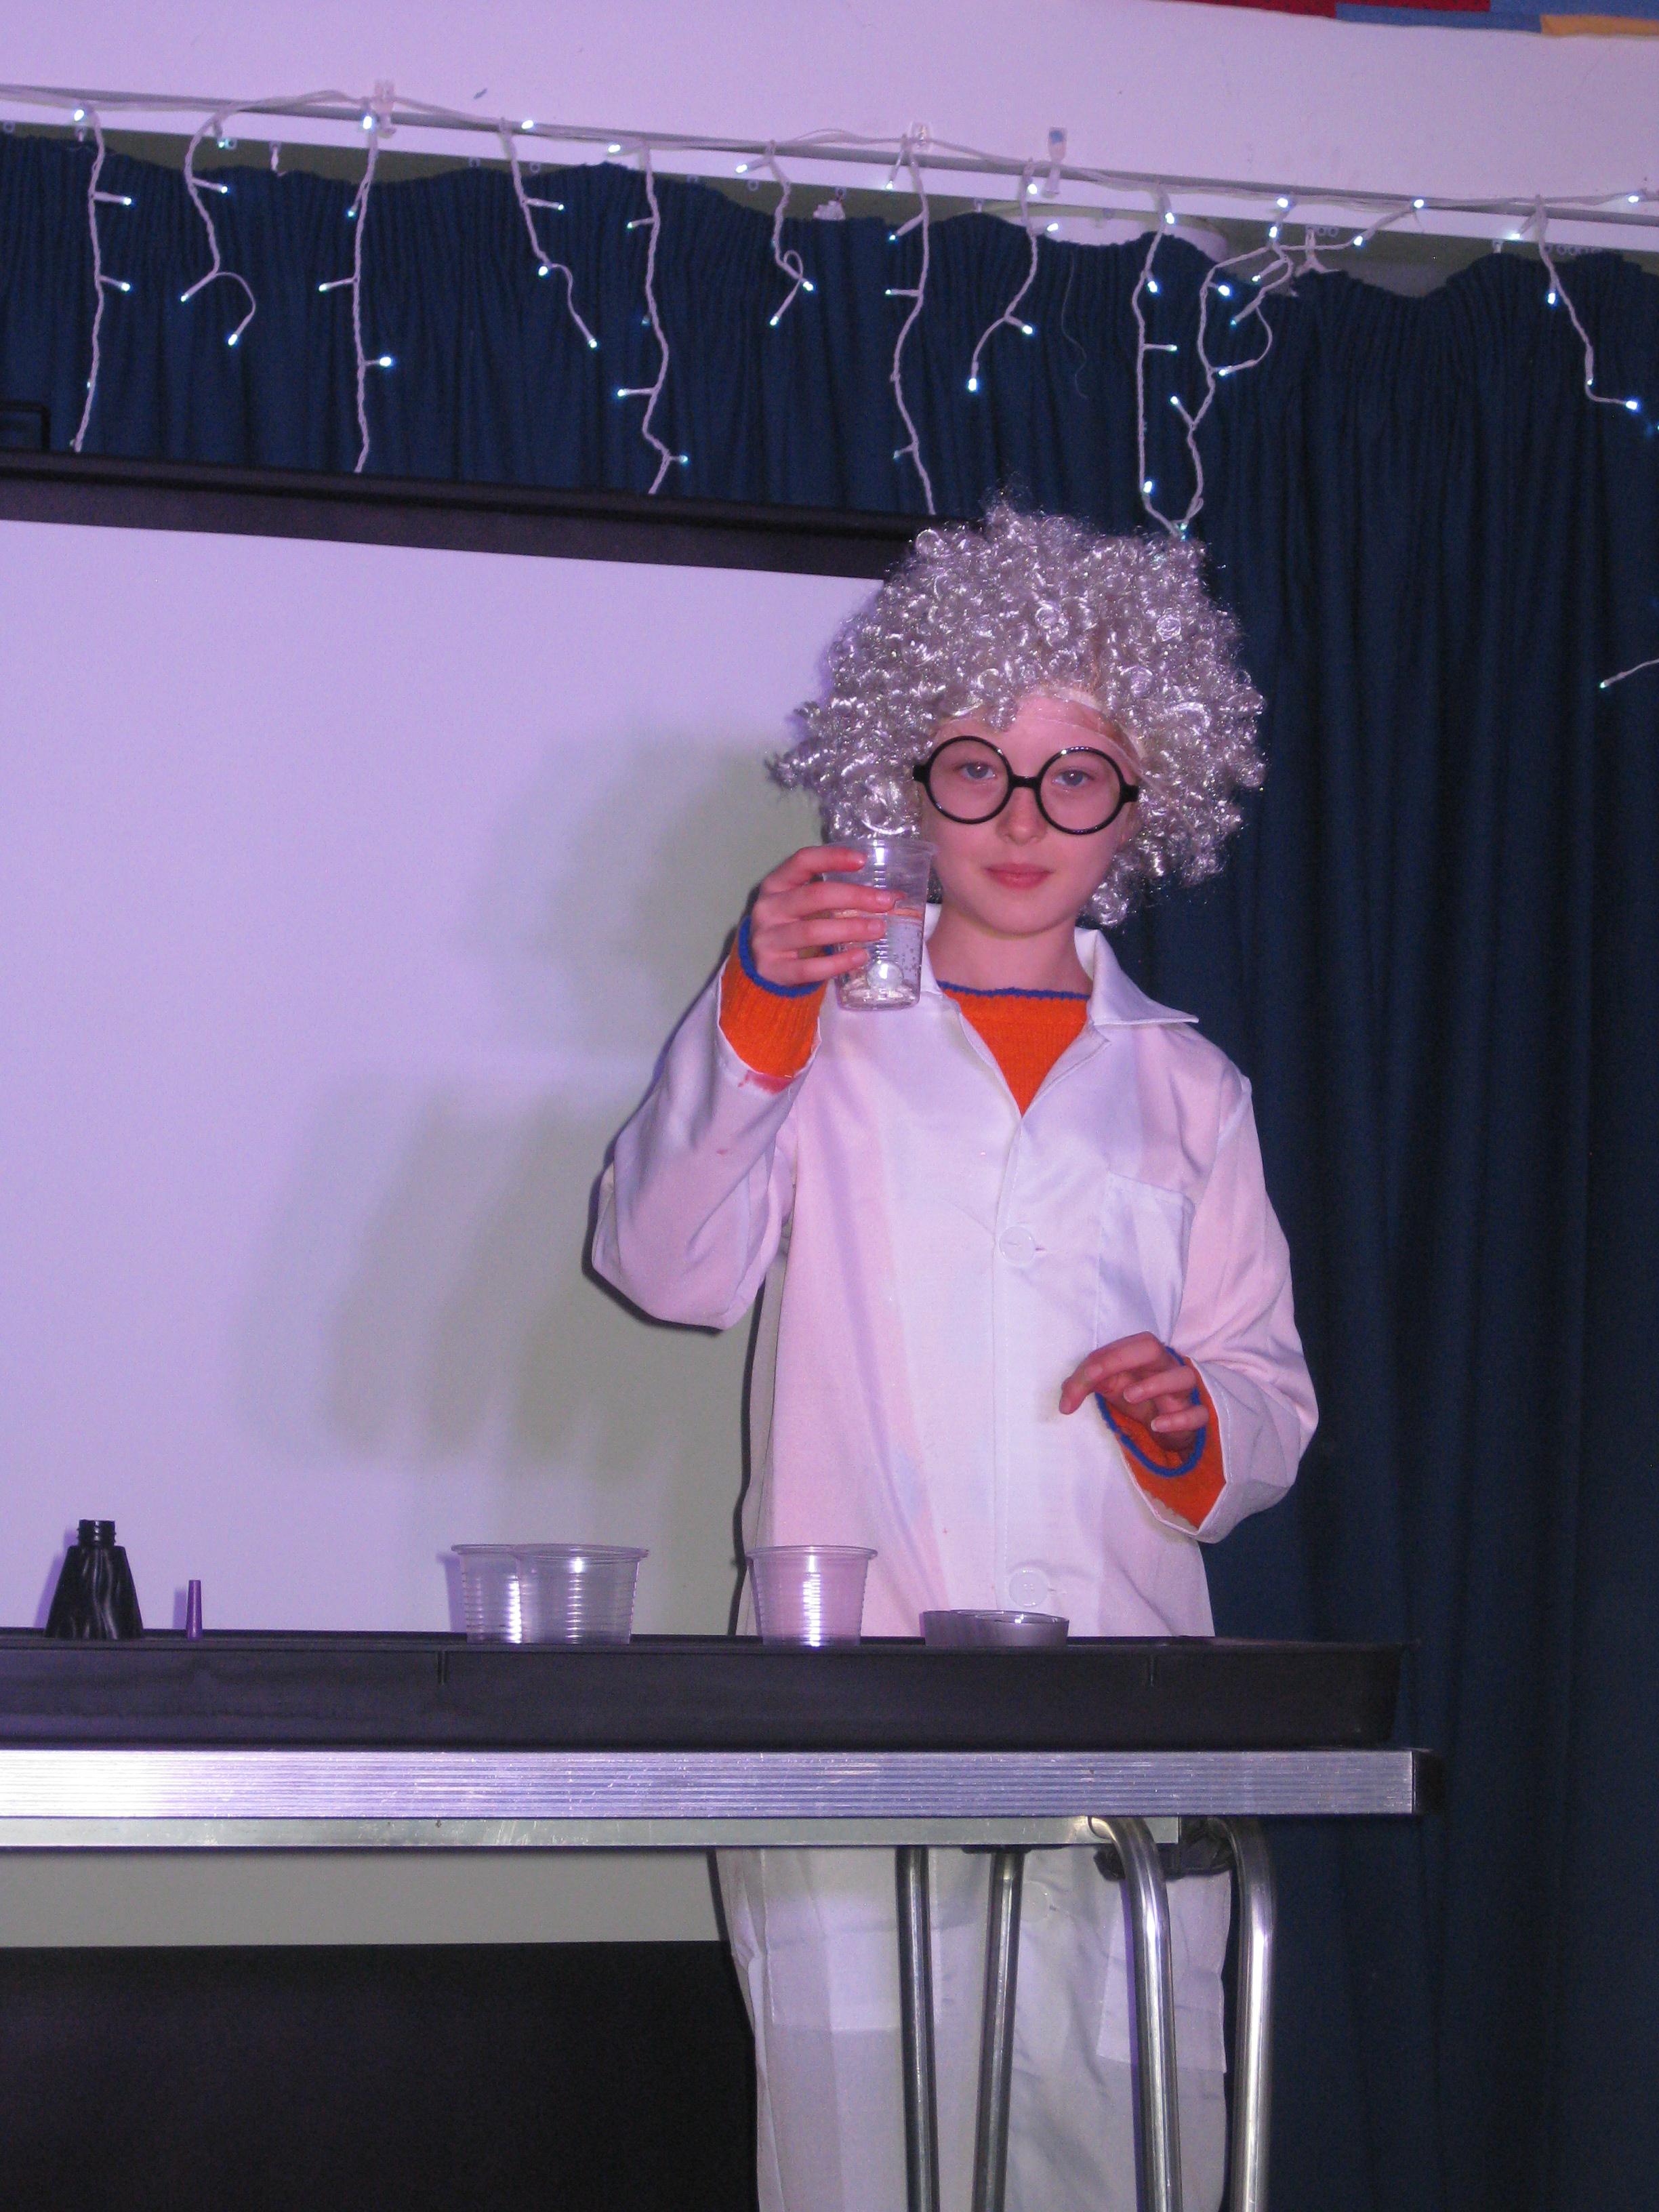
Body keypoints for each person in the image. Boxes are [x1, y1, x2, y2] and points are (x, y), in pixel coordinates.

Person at [592, 504, 1316, 2212]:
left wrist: (1192, 1416)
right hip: (852, 1706)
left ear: (1144, 802)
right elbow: (663, 1266)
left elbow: (1270, 1395)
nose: (1024, 816)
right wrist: (757, 1004)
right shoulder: (819, 1033)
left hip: (1125, 1709)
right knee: (866, 2157)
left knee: (1127, 2153)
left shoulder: (1189, 1089)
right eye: (977, 767)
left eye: (1079, 775)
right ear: (904, 780)